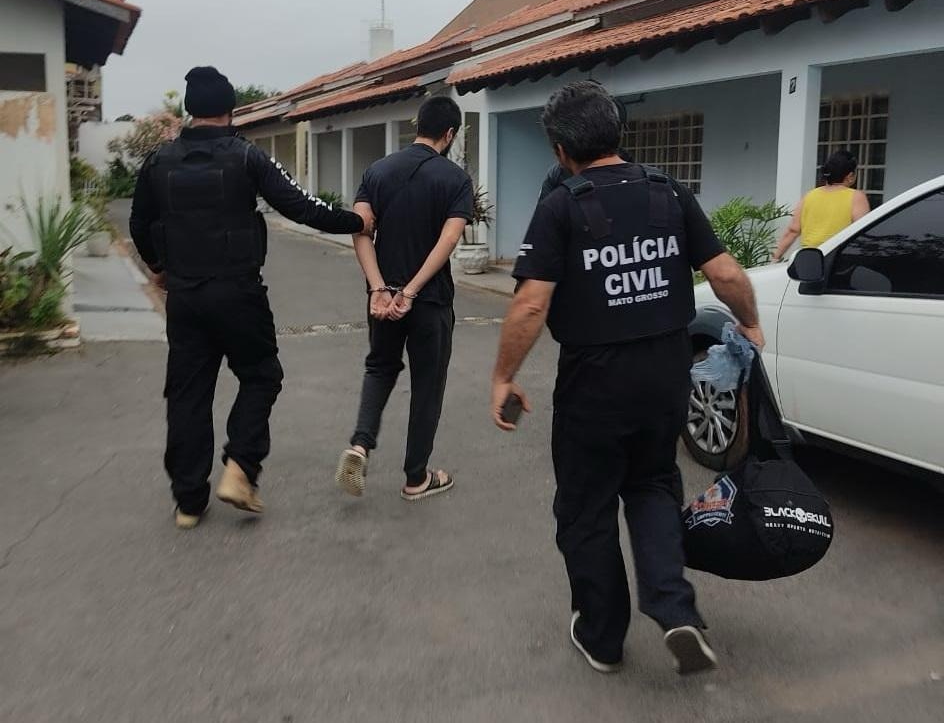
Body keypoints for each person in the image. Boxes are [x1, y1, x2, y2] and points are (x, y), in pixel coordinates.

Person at [490, 81, 765, 675]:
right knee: (653, 484)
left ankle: (603, 637)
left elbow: (531, 304)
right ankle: (674, 607)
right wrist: (749, 322)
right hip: (666, 372)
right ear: (619, 132)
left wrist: (503, 377)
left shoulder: (561, 205)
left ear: (561, 150)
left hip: (595, 380)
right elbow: (724, 273)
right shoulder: (669, 192)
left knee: (586, 507)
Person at [129, 66, 368, 530]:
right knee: (261, 375)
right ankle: (240, 468)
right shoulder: (246, 156)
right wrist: (357, 222)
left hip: (185, 298)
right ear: (230, 109)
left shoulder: (158, 161)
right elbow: (301, 206)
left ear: (190, 111)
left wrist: (159, 268)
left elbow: (140, 224)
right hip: (238, 293)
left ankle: (188, 502)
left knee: (187, 393)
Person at [336, 96, 472, 501]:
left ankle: (360, 444)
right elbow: (450, 238)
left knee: (380, 368)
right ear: (449, 134)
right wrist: (411, 291)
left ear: (418, 126)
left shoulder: (377, 171)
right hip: (430, 301)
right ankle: (416, 478)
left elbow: (361, 229)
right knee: (428, 384)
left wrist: (379, 287)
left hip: (382, 300)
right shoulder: (455, 179)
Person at [771, 149, 870, 262]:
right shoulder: (857, 197)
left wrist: (775, 258)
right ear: (850, 176)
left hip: (809, 258)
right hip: (838, 259)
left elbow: (793, 230)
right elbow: (863, 232)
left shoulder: (810, 195)